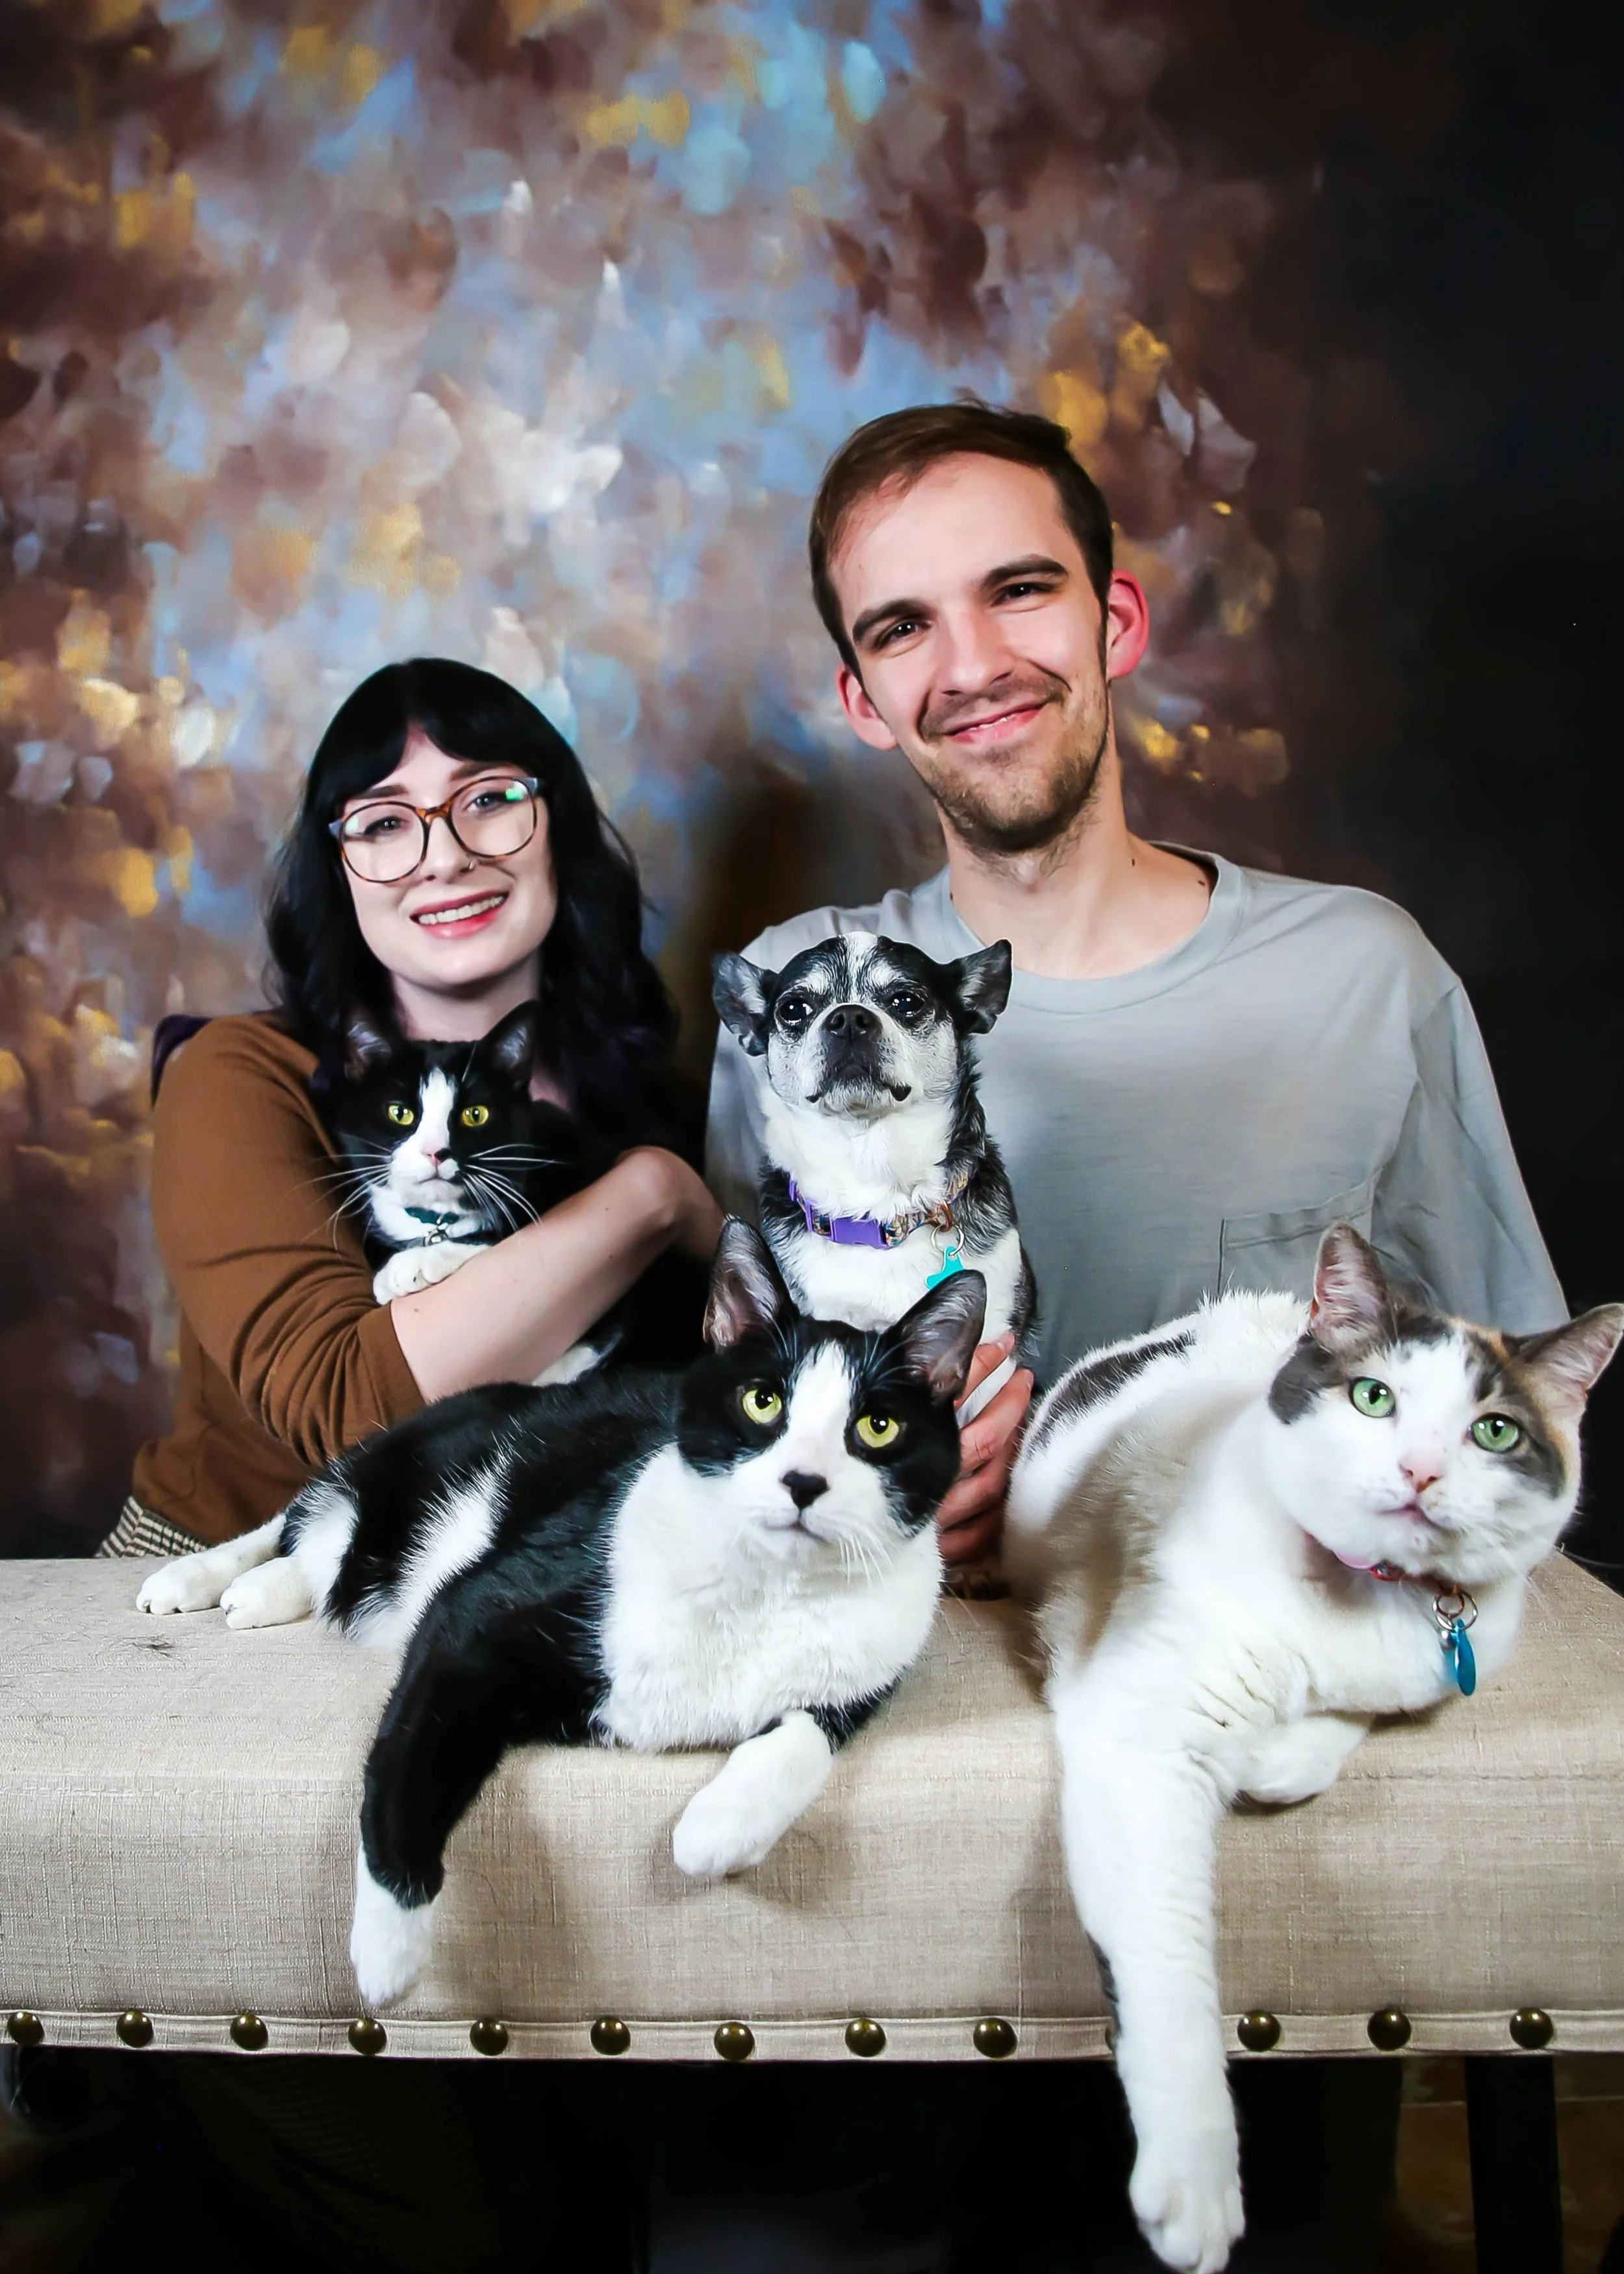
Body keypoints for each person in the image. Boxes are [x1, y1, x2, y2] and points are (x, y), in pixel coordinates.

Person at [707, 399, 1568, 1572]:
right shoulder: (789, 1005)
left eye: (1019, 590)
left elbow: (1520, 1403)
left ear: (1114, 622)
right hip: (905, 1674)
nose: (974, 666)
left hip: (1250, 1668)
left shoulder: (1364, 978)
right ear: (863, 698)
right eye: (903, 627)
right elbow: (715, 1413)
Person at [99, 656, 723, 1559]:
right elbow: (348, 1413)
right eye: (386, 822)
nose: (446, 856)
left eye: (490, 799)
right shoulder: (238, 1077)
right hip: (219, 1583)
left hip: (513, 1594)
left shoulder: (644, 1091)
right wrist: (655, 1198)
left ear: (560, 828)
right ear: (339, 867)